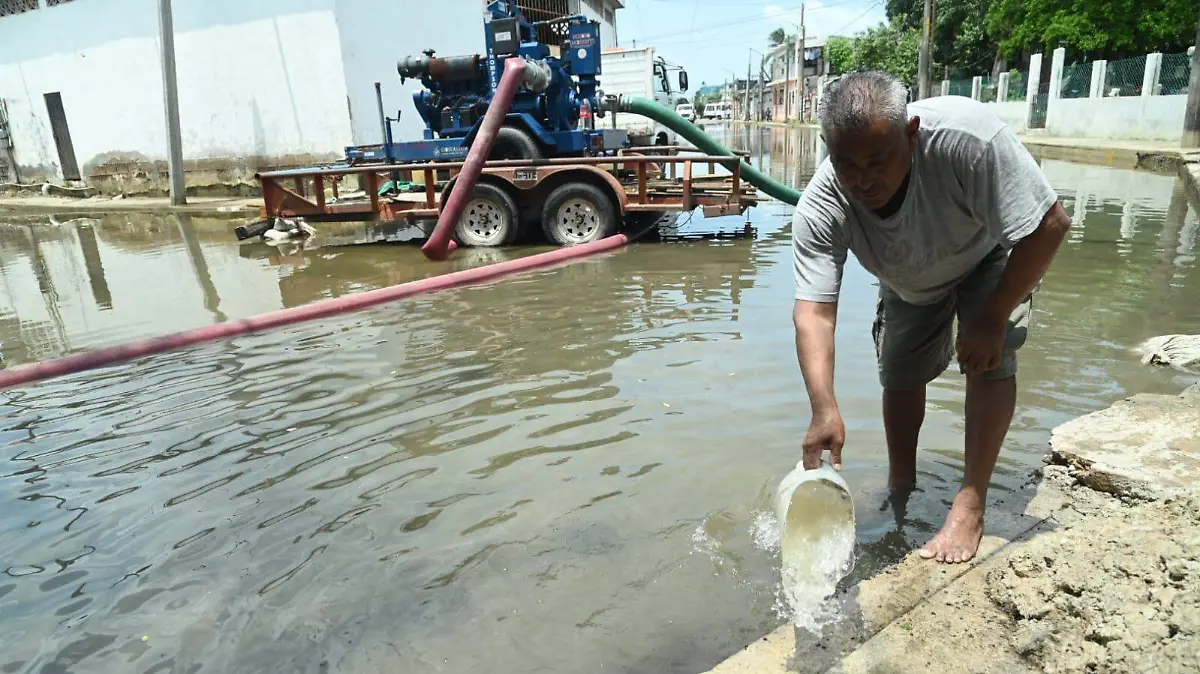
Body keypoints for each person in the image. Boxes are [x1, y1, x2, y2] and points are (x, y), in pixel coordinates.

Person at [790, 71, 1070, 564]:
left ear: (912, 132)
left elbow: (1048, 225)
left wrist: (992, 317)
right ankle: (902, 485)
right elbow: (815, 312)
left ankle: (971, 502)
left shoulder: (969, 140)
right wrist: (823, 407)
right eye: (846, 164)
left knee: (989, 357)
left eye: (878, 160)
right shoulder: (822, 202)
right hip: (907, 275)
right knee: (899, 372)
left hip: (989, 255)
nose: (863, 180)